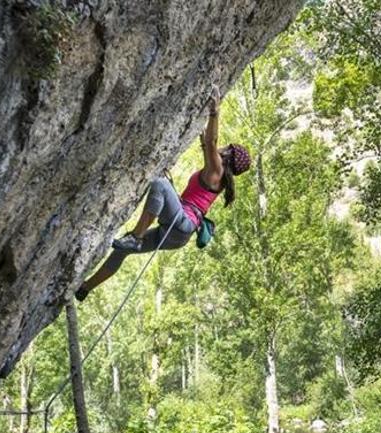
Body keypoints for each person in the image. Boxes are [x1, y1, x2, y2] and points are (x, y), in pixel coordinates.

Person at [75, 85, 250, 301]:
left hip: (182, 222)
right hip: (178, 232)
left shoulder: (217, 171)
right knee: (120, 251)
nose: (222, 147)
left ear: (227, 156)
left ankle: (136, 237)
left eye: (227, 148)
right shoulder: (215, 173)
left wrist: (215, 112)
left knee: (159, 183)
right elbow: (206, 142)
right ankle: (85, 288)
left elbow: (210, 142)